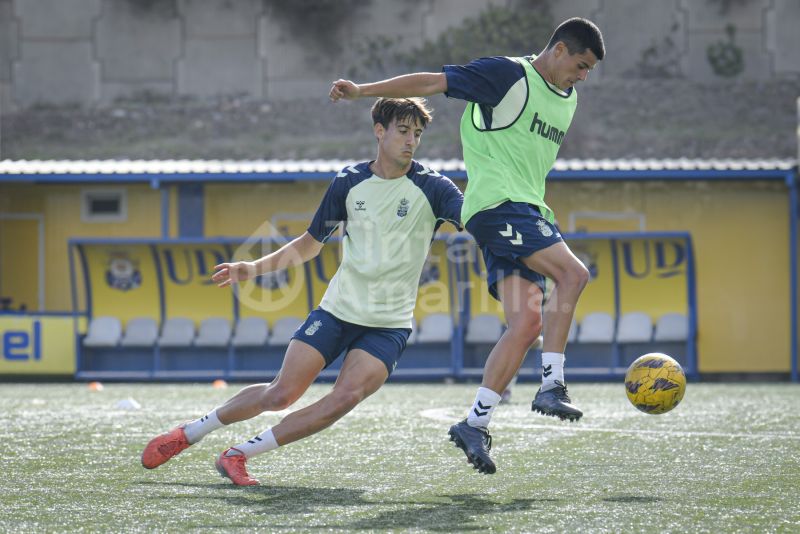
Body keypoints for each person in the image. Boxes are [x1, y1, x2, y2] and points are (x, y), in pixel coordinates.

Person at [330, 17, 605, 475]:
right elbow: (433, 82)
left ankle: (474, 423)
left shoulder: (568, 99)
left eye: (589, 69)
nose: (583, 76)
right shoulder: (507, 76)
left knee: (527, 322)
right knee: (573, 274)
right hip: (499, 207)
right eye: (580, 64)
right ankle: (552, 383)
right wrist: (363, 90)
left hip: (528, 211)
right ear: (558, 49)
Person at [141, 97, 463, 485]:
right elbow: (310, 243)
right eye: (403, 131)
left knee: (343, 399)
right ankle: (189, 433)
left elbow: (477, 218)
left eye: (417, 134)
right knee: (280, 394)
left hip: (388, 325)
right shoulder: (349, 182)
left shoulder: (435, 188)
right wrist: (252, 268)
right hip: (337, 312)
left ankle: (238, 455)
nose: (411, 141)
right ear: (379, 131)